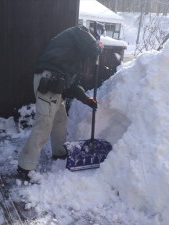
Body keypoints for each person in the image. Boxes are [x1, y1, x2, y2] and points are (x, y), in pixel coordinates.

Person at [17, 25, 104, 181]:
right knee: (44, 123)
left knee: (60, 119)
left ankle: (59, 152)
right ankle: (25, 166)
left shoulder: (73, 60)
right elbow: (93, 48)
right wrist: (98, 47)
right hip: (50, 80)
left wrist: (86, 99)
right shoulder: (79, 32)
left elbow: (74, 85)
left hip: (55, 83)